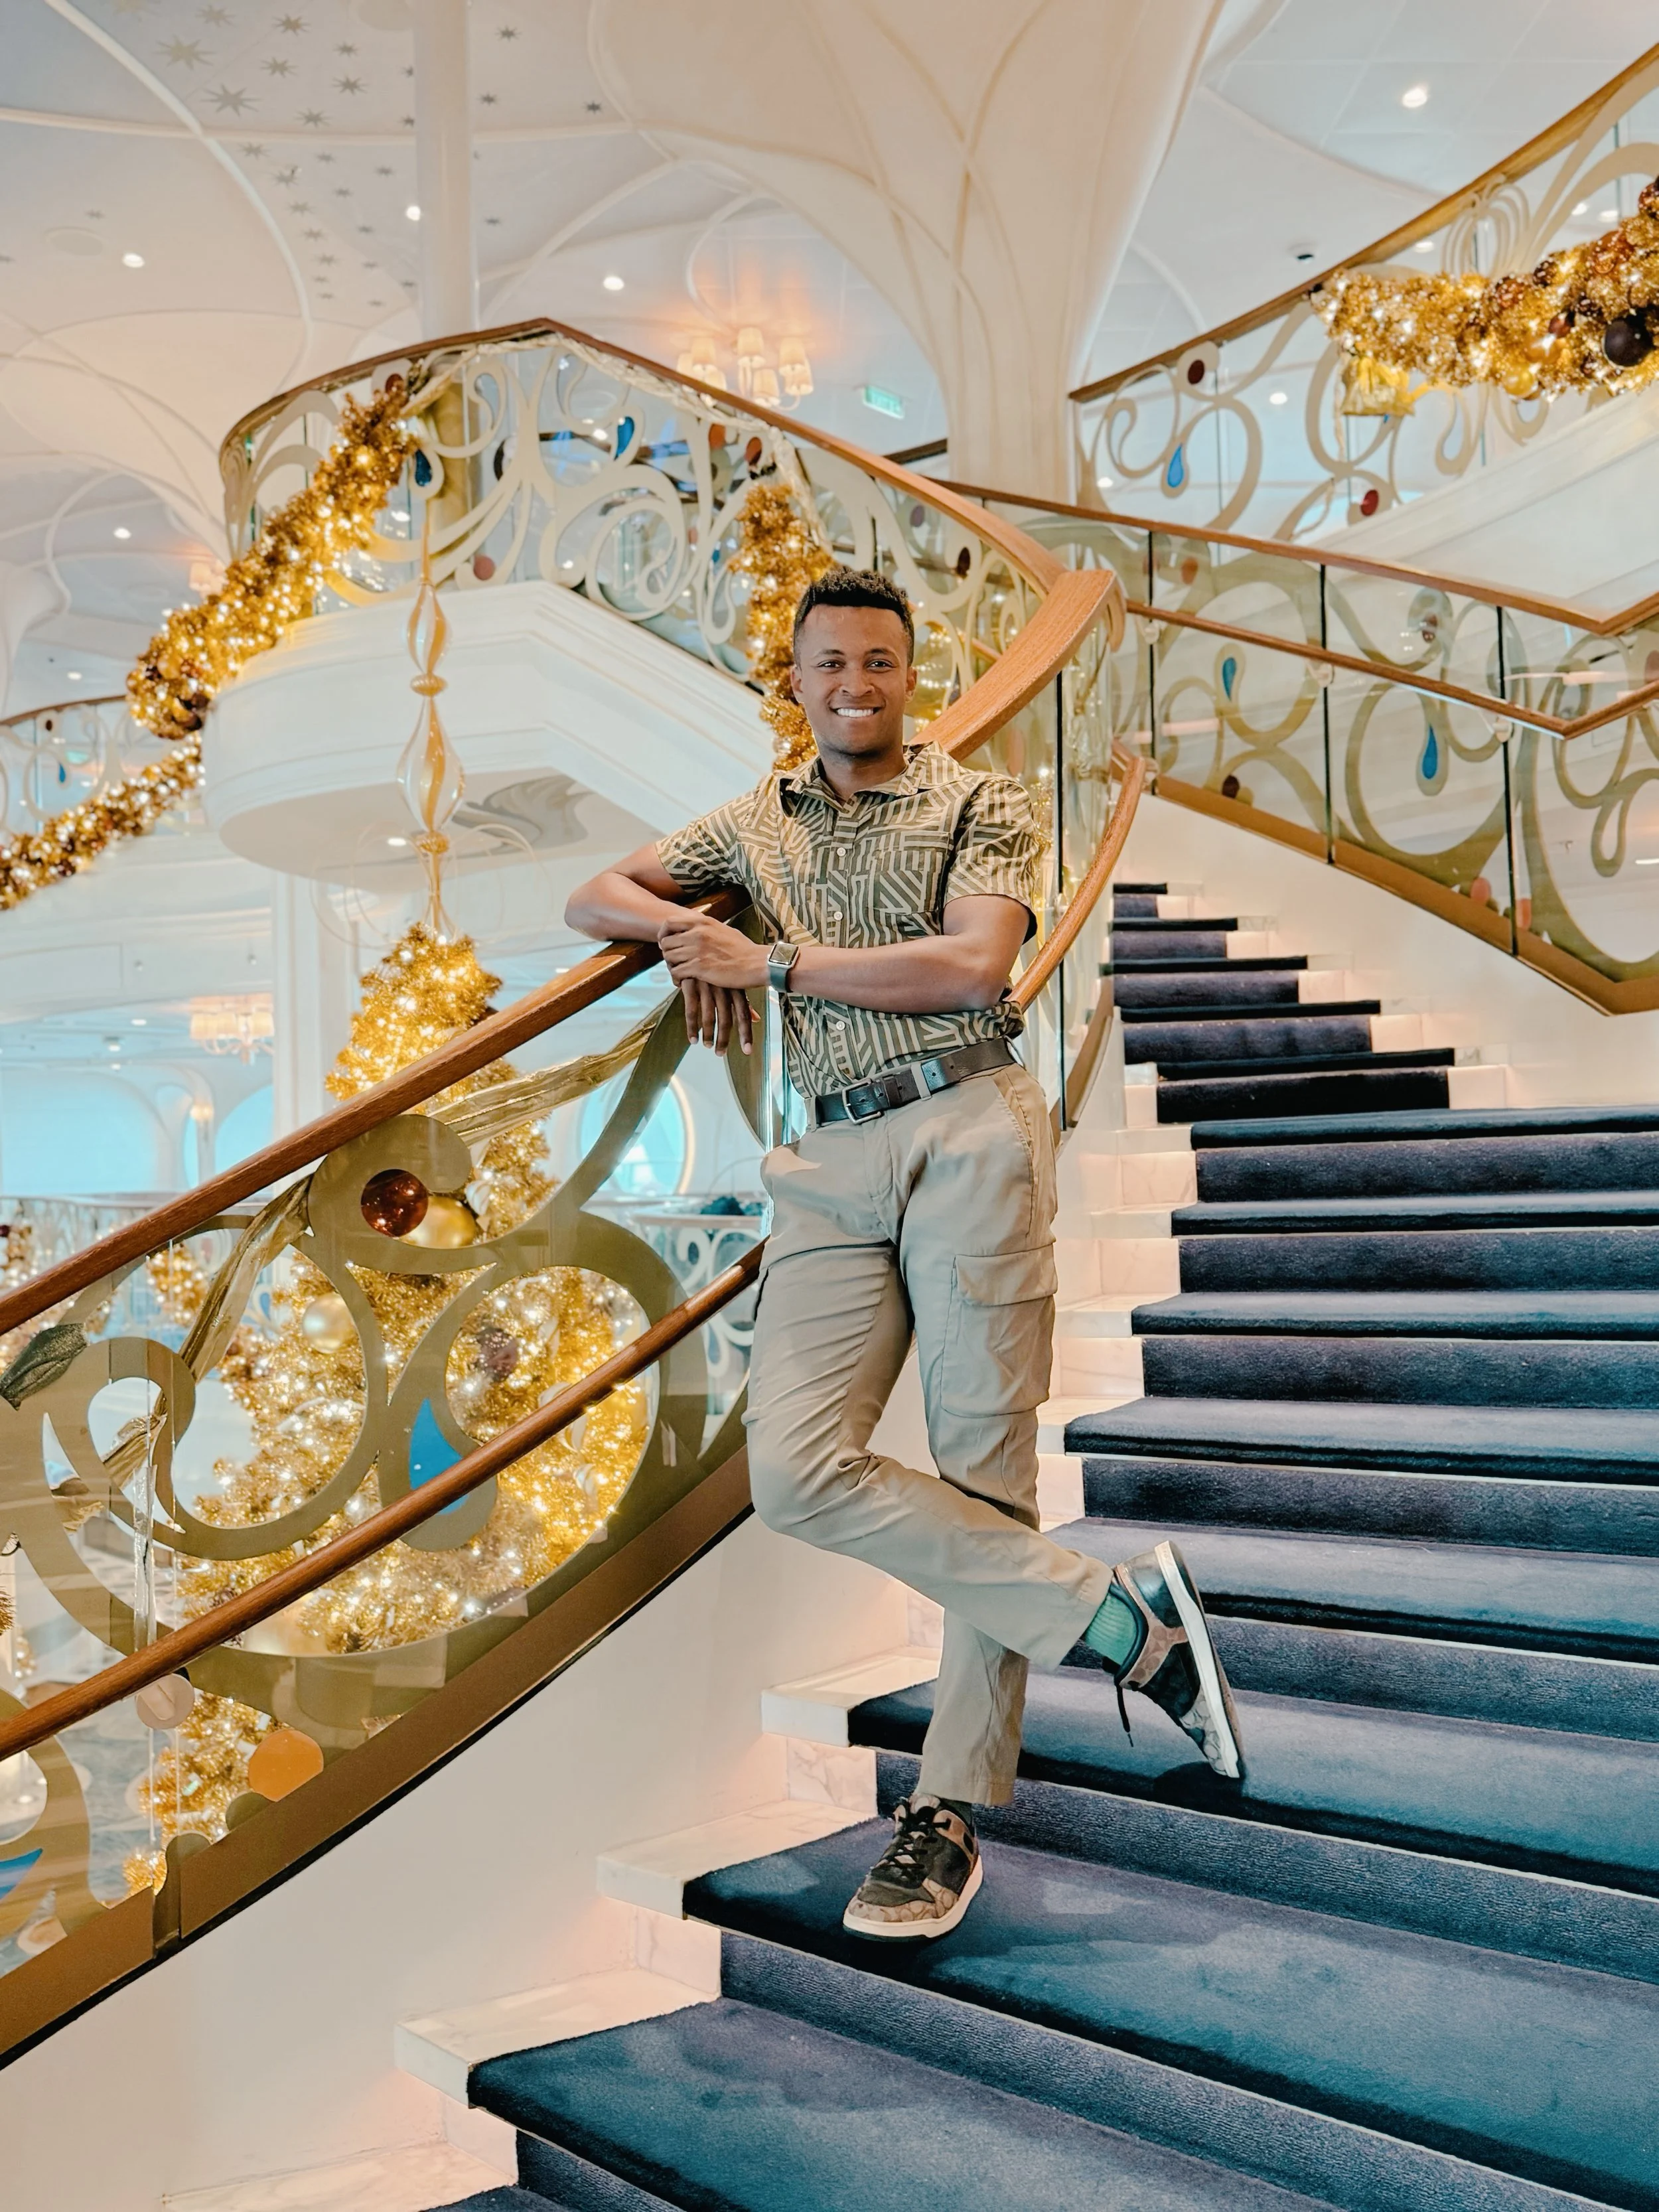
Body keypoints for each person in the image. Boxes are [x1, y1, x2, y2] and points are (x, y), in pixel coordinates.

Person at [565, 565, 1244, 1941]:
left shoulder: (979, 802)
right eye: (828, 666)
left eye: (877, 665)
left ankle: (942, 1813)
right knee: (796, 1469)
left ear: (909, 675)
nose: (853, 687)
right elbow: (593, 895)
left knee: (980, 1473)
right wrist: (683, 927)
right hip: (823, 1160)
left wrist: (762, 965)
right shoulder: (750, 823)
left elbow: (973, 967)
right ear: (797, 679)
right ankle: (1118, 1626)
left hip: (964, 1127)